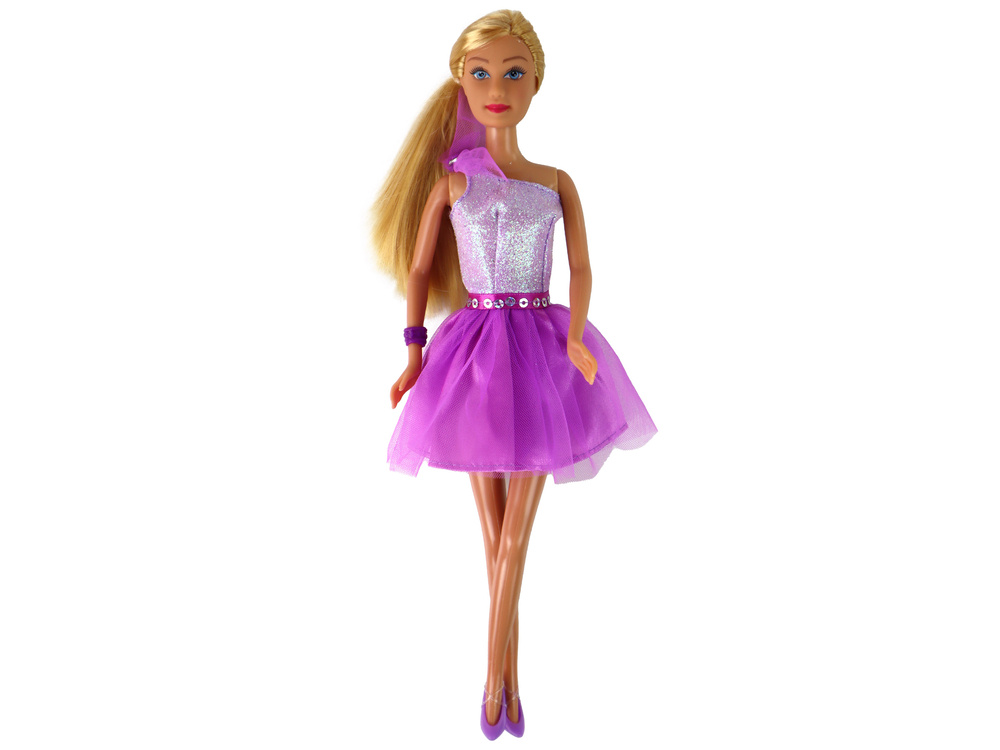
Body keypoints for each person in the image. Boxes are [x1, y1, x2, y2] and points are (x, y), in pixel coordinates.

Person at [371, 10, 656, 739]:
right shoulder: (452, 183)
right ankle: (508, 683)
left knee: (513, 539)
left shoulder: (556, 183)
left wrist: (577, 336)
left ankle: (495, 681)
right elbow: (418, 270)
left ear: (536, 84)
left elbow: (583, 268)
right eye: (482, 74)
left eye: (513, 73)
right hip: (470, 358)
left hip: (540, 353)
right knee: (493, 533)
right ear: (461, 84)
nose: (497, 88)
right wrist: (412, 351)